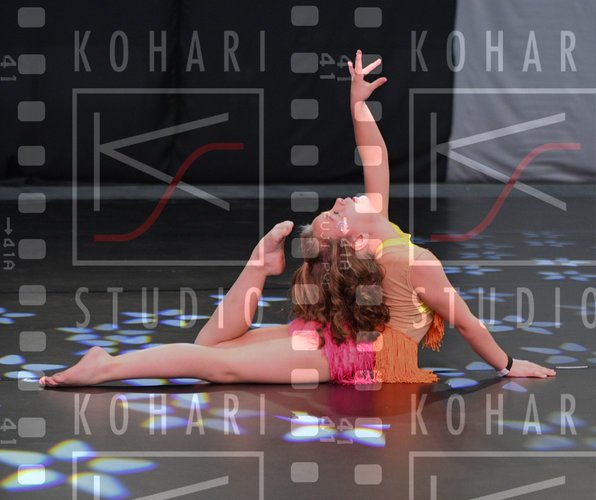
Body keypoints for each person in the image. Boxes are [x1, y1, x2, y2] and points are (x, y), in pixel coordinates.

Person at [39, 50, 554, 388]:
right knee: (213, 354)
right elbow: (463, 318)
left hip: (359, 352)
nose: (340, 202)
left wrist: (357, 102)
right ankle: (255, 269)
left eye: (335, 208)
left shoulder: (391, 241)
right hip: (347, 344)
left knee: (216, 360)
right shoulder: (399, 251)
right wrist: (508, 365)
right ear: (354, 238)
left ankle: (106, 366)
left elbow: (375, 157)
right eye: (336, 212)